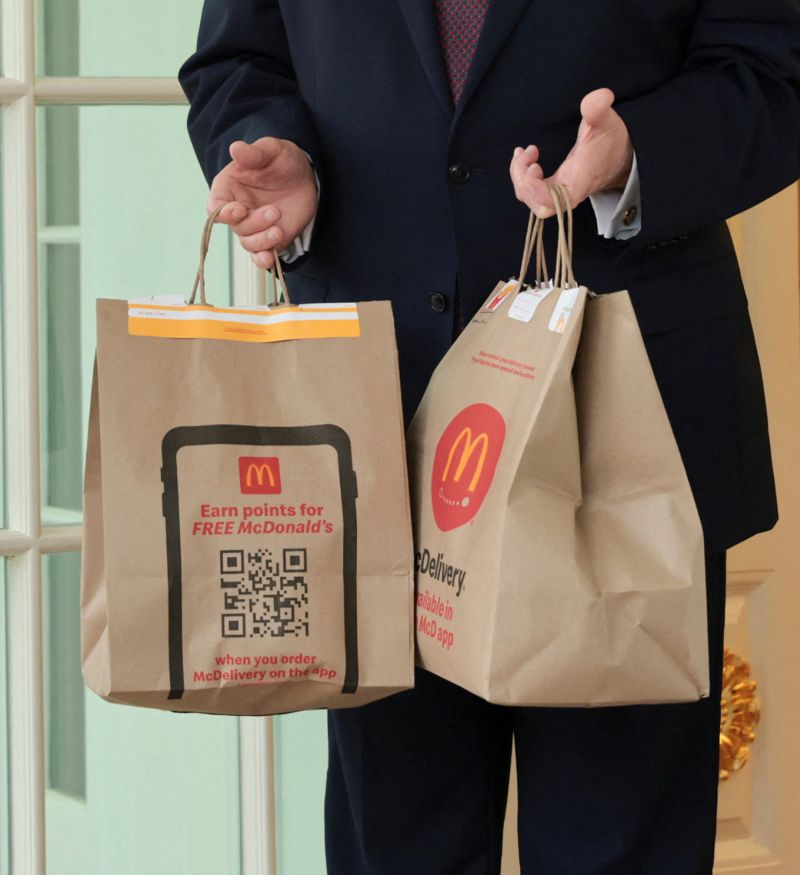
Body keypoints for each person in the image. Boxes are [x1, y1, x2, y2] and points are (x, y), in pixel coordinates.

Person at [179, 3, 800, 872]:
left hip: (631, 441)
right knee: (398, 847)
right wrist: (279, 149)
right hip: (375, 431)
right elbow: (235, 62)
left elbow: (773, 67)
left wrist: (639, 155)